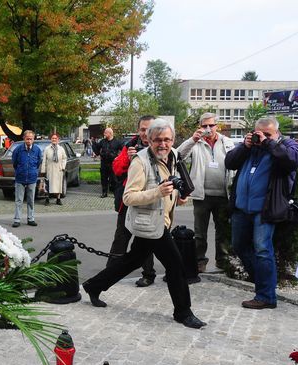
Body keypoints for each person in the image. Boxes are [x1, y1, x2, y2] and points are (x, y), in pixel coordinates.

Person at [81, 119, 207, 329]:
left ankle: (93, 286)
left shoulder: (172, 155)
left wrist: (176, 195)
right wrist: (157, 193)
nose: (163, 144)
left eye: (167, 139)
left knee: (131, 260)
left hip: (161, 221)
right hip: (151, 224)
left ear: (173, 140)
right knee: (176, 265)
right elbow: (128, 198)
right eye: (158, 140)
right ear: (149, 140)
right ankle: (183, 312)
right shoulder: (140, 162)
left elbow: (170, 181)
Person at [225, 117, 298, 310]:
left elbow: (291, 161)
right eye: (258, 133)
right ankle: (262, 283)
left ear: (277, 133)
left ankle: (266, 296)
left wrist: (269, 144)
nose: (262, 137)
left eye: (267, 134)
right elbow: (230, 162)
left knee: (262, 249)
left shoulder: (287, 145)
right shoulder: (250, 147)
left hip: (265, 210)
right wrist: (245, 146)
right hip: (242, 207)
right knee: (239, 246)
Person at [177, 113, 236, 273]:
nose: (208, 129)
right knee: (200, 232)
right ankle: (199, 261)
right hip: (202, 195)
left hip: (224, 194)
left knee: (223, 230)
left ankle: (222, 260)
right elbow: (178, 156)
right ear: (200, 127)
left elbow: (236, 163)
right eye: (204, 126)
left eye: (211, 125)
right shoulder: (196, 142)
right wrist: (192, 139)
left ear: (218, 126)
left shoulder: (227, 142)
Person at [107, 115, 157, 287]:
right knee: (120, 237)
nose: (145, 133)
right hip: (128, 201)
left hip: (150, 201)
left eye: (148, 129)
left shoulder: (160, 146)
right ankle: (110, 272)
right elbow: (116, 169)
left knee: (146, 238)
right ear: (138, 130)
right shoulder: (129, 146)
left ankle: (148, 274)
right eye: (142, 129)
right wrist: (128, 160)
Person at [11, 130, 43, 227]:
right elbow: (14, 162)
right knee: (19, 200)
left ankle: (31, 218)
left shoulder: (37, 150)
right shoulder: (18, 149)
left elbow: (38, 162)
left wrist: (33, 171)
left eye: (31, 139)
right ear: (24, 138)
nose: (29, 141)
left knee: (31, 199)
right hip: (20, 177)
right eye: (27, 138)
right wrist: (20, 170)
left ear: (33, 139)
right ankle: (17, 219)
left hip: (32, 178)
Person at [93, 128, 124, 198]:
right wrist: (94, 144)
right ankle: (104, 193)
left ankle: (115, 194)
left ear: (110, 133)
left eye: (105, 133)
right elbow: (97, 149)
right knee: (103, 178)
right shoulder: (102, 141)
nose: (104, 134)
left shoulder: (117, 142)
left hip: (113, 164)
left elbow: (123, 150)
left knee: (114, 179)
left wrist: (118, 157)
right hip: (104, 163)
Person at [40, 133, 67, 206]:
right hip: (50, 169)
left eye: (55, 138)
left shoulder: (61, 149)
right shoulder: (47, 148)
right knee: (48, 185)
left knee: (58, 185)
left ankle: (58, 199)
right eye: (53, 138)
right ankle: (47, 199)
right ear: (50, 139)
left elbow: (64, 158)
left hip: (58, 169)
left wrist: (63, 167)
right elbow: (44, 160)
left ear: (58, 140)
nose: (54, 139)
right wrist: (43, 170)